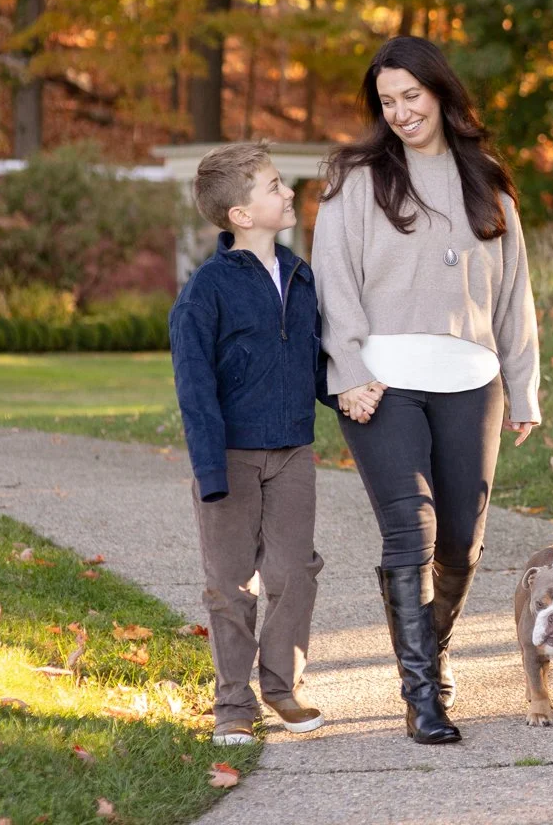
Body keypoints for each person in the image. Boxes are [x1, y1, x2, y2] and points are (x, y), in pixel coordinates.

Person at [311, 36, 541, 745]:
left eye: (412, 95)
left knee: (463, 543)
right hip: (382, 382)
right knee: (412, 528)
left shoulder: (488, 181)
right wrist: (347, 368)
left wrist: (524, 387)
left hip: (472, 380)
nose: (402, 111)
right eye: (388, 101)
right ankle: (423, 694)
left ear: (440, 92)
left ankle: (429, 655)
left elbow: (514, 292)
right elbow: (333, 276)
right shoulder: (356, 177)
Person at [169, 142, 331, 747]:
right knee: (231, 583)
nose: (288, 192)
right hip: (230, 457)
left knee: (295, 571)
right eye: (272, 186)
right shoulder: (206, 290)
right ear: (240, 214)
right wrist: (211, 470)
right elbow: (194, 386)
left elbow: (315, 361)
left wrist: (349, 395)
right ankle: (234, 702)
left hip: (292, 451)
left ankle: (281, 686)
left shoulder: (300, 273)